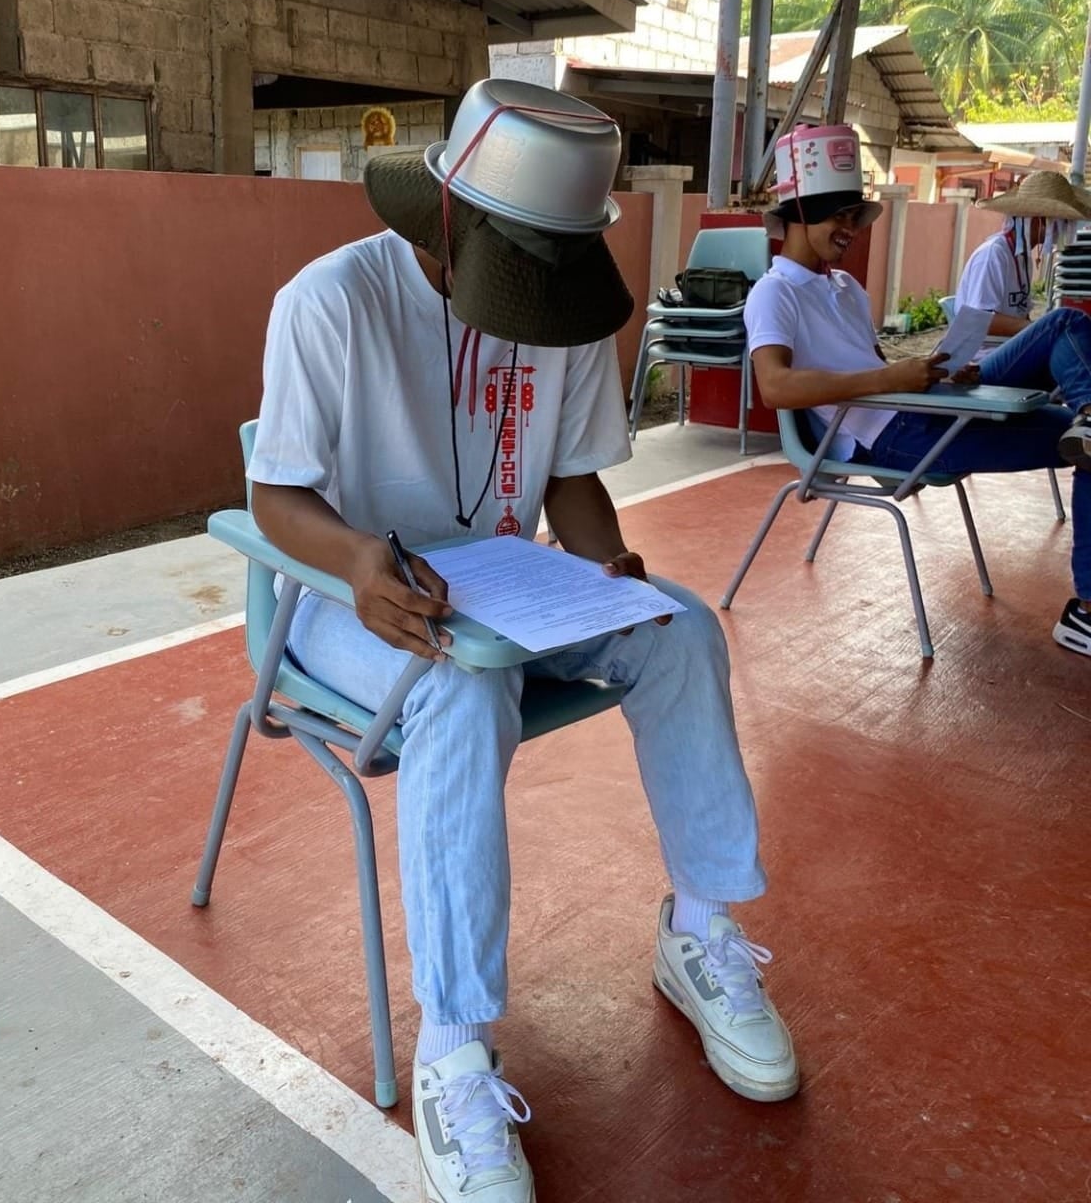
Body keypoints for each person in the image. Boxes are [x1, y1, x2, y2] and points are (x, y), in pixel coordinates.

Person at [247, 80, 798, 1203]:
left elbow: (567, 477)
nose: (532, 303)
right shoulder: (328, 303)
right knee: (458, 695)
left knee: (681, 628)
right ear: (446, 223)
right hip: (357, 604)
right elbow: (275, 498)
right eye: (514, 272)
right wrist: (359, 561)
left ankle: (699, 929)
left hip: (516, 590)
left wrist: (607, 569)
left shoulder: (560, 309)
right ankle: (454, 1050)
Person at [743, 125, 1091, 660]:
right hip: (891, 439)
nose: (849, 229)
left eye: (854, 216)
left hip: (923, 407)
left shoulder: (846, 289)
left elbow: (876, 366)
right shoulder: (774, 293)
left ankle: (1086, 412)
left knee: (1063, 323)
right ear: (799, 215)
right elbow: (774, 387)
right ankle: (1086, 615)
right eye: (839, 215)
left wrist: (941, 374)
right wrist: (889, 380)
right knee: (1084, 439)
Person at [955, 169, 1091, 339]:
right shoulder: (993, 255)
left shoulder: (1023, 257)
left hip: (1005, 347)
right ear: (1038, 220)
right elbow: (979, 321)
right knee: (1062, 320)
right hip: (981, 354)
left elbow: (1019, 315)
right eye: (1060, 220)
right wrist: (1041, 328)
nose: (1063, 227)